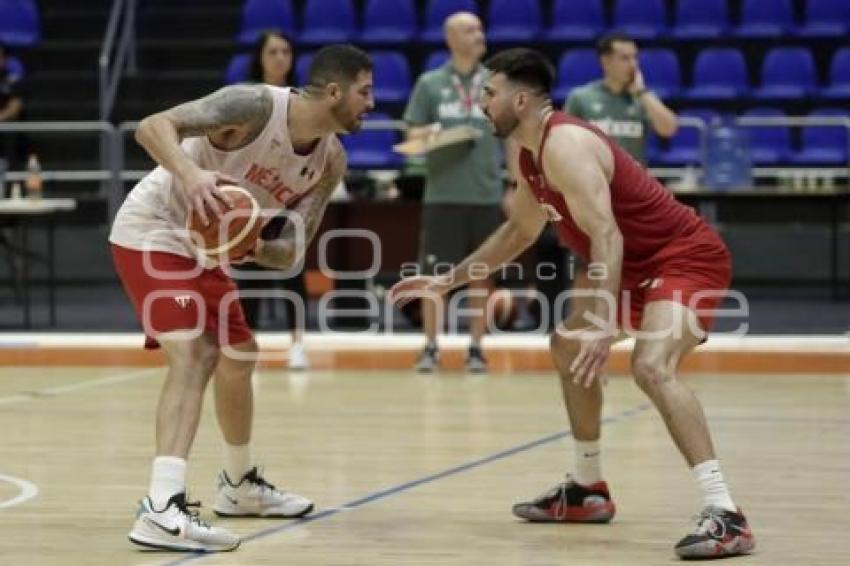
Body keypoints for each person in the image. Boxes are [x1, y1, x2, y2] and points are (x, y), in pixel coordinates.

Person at [390, 48, 755, 560]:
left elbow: (607, 234)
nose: (482, 104)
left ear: (520, 99)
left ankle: (726, 512)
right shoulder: (525, 153)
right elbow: (519, 231)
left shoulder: (565, 144)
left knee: (650, 365)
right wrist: (446, 282)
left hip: (684, 258)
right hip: (632, 268)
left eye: (489, 94)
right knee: (566, 345)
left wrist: (604, 321)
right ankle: (587, 489)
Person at [109, 44, 374, 552]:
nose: (372, 103)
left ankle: (237, 486)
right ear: (335, 91)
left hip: (208, 252)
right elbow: (151, 126)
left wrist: (253, 243)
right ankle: (161, 508)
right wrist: (191, 176)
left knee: (239, 355)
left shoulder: (331, 159)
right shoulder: (254, 105)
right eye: (365, 91)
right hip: (155, 230)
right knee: (195, 354)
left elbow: (293, 250)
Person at [403, 11, 503, 373]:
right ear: (450, 39)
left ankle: (476, 347)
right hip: (443, 193)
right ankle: (430, 345)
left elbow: (513, 133)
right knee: (436, 275)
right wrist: (439, 137)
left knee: (482, 274)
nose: (479, 34)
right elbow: (411, 137)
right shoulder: (430, 84)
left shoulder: (496, 82)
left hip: (486, 192)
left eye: (479, 28)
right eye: (469, 30)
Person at [236, 30, 311, 370]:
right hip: (251, 195)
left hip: (289, 194)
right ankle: (248, 343)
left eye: (286, 51)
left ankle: (298, 343)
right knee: (248, 271)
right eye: (273, 52)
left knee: (292, 269)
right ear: (261, 58)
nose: (280, 57)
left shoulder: (305, 99)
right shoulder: (248, 98)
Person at [565, 32, 678, 165]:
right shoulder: (581, 97)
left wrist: (642, 92)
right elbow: (565, 141)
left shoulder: (644, 98)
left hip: (634, 181)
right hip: (595, 179)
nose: (633, 64)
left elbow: (669, 129)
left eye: (635, 57)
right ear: (605, 62)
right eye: (625, 58)